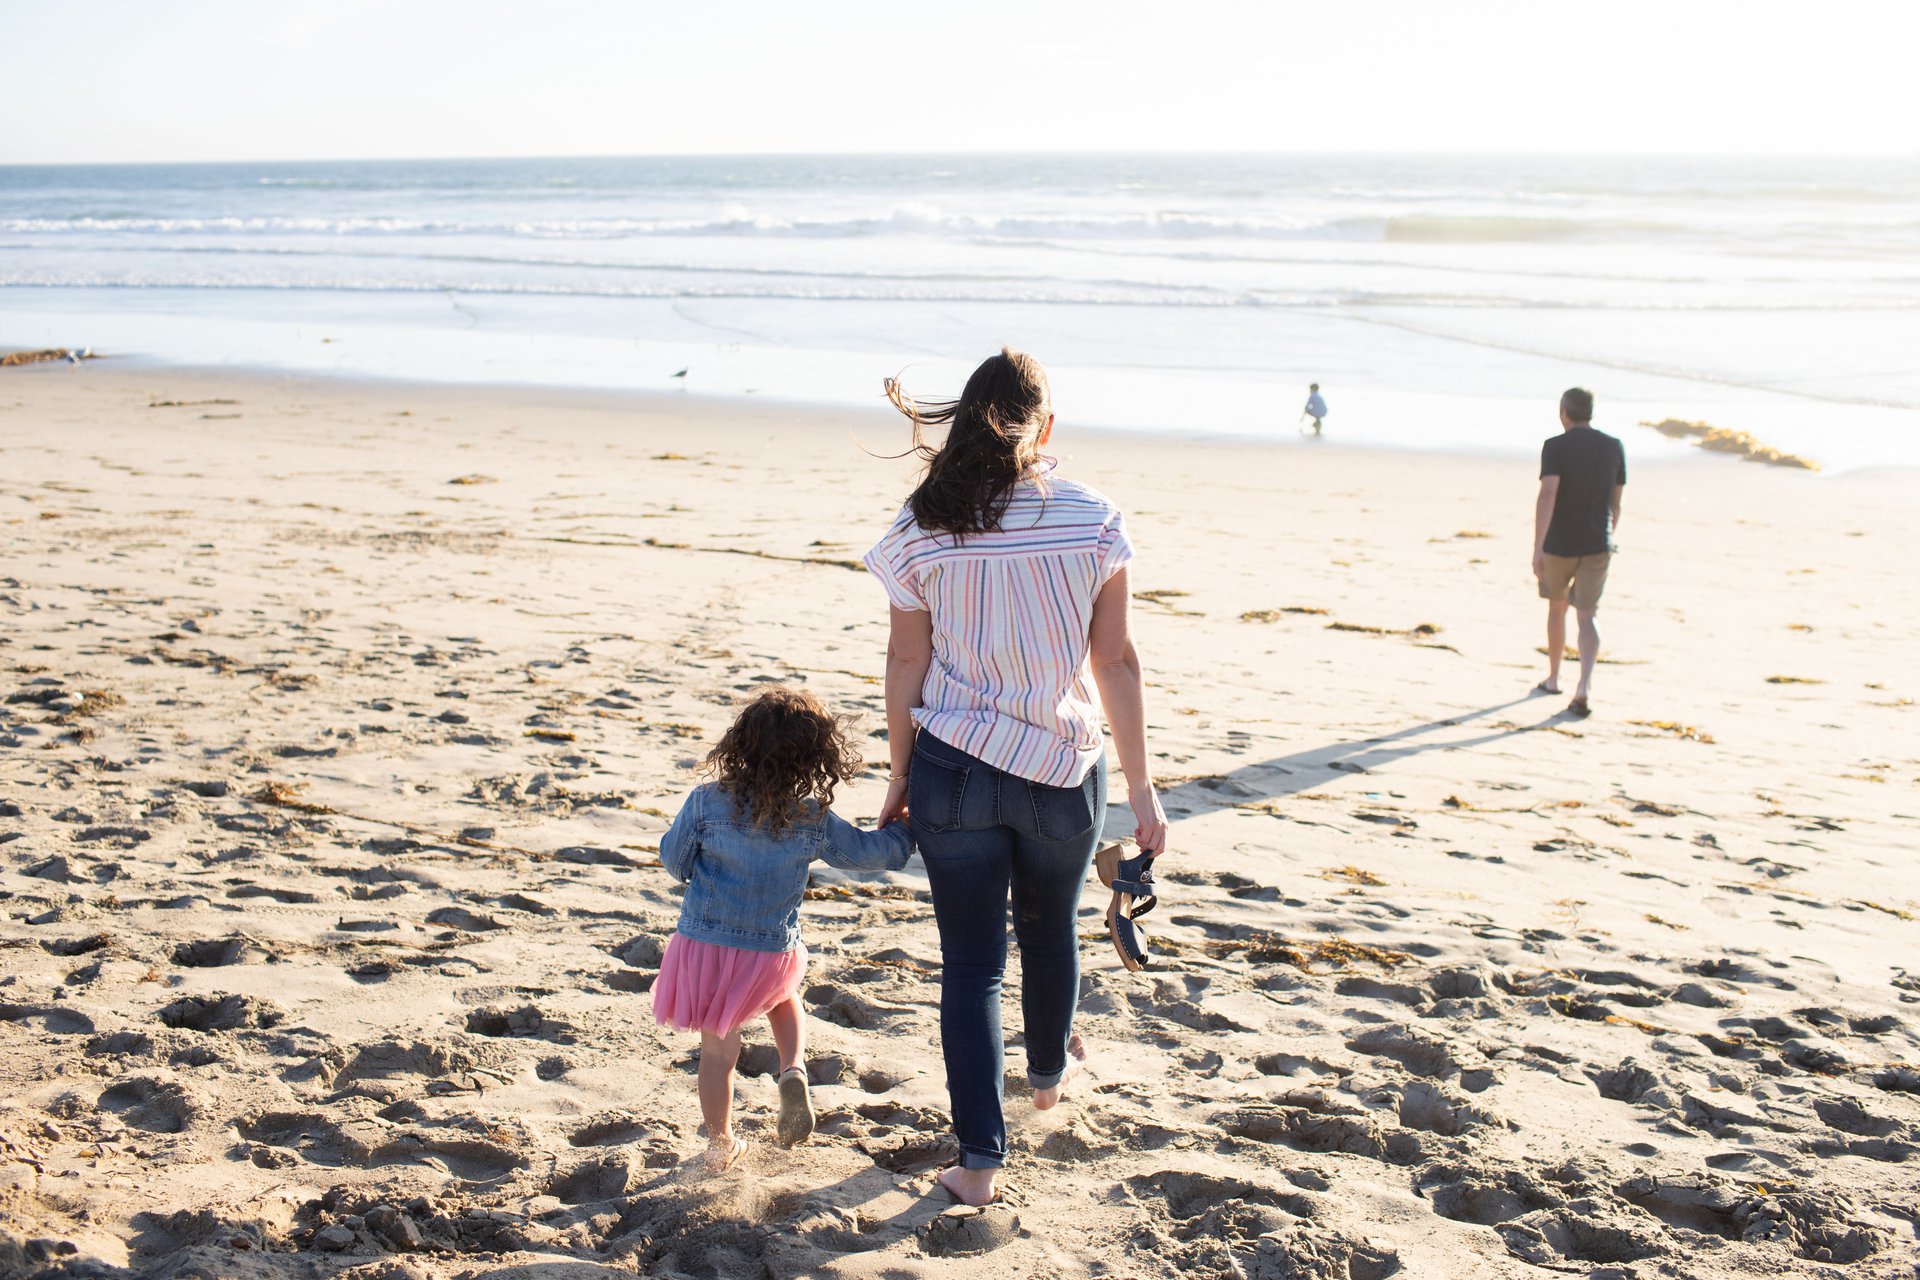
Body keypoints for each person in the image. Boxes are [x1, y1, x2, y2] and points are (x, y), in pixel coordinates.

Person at [865, 347, 1169, 1207]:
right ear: (1044, 426)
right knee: (1049, 931)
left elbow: (905, 658)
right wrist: (1143, 790)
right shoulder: (1094, 518)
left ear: (966, 420)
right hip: (1062, 771)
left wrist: (898, 775)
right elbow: (1115, 662)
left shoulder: (921, 526)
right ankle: (1044, 1083)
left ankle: (979, 1165)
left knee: (970, 965)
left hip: (953, 767)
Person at [653, 686, 913, 1172]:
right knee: (781, 993)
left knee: (717, 1048)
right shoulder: (809, 816)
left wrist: (696, 874)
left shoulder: (706, 802)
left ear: (739, 744)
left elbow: (674, 859)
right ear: (814, 758)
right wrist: (905, 827)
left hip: (705, 944)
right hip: (771, 947)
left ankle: (719, 1144)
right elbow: (871, 856)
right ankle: (791, 1069)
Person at [1532, 386, 1626, 718]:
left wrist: (1538, 546)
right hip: (1598, 542)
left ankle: (1554, 677)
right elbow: (1615, 503)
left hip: (1560, 542)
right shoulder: (1613, 447)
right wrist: (1606, 534)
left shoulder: (1555, 446)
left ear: (1564, 412)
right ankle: (1584, 686)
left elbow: (1548, 495)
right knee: (1588, 615)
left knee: (1557, 608)